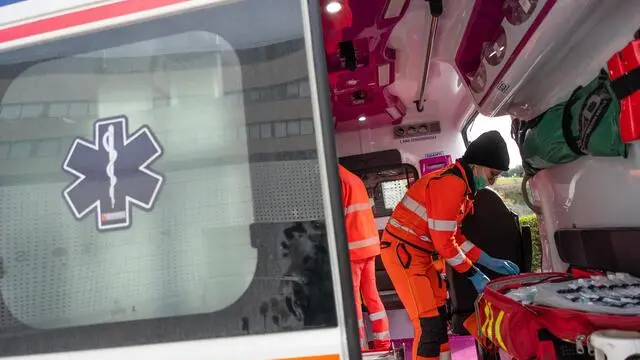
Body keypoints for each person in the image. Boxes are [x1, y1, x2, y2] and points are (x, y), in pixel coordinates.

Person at [380, 130, 520, 360]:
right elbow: (444, 244)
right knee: (428, 327)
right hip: (403, 254)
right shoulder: (451, 185)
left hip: (421, 255)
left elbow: (454, 238)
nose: (492, 182)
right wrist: (474, 273)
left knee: (438, 320)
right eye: (492, 175)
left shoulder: (463, 190)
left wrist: (488, 260)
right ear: (477, 165)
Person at [338, 164, 392, 352]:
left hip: (352, 250)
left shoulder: (335, 181)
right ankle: (383, 343)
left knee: (352, 301)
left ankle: (359, 346)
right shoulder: (353, 179)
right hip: (368, 247)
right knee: (372, 296)